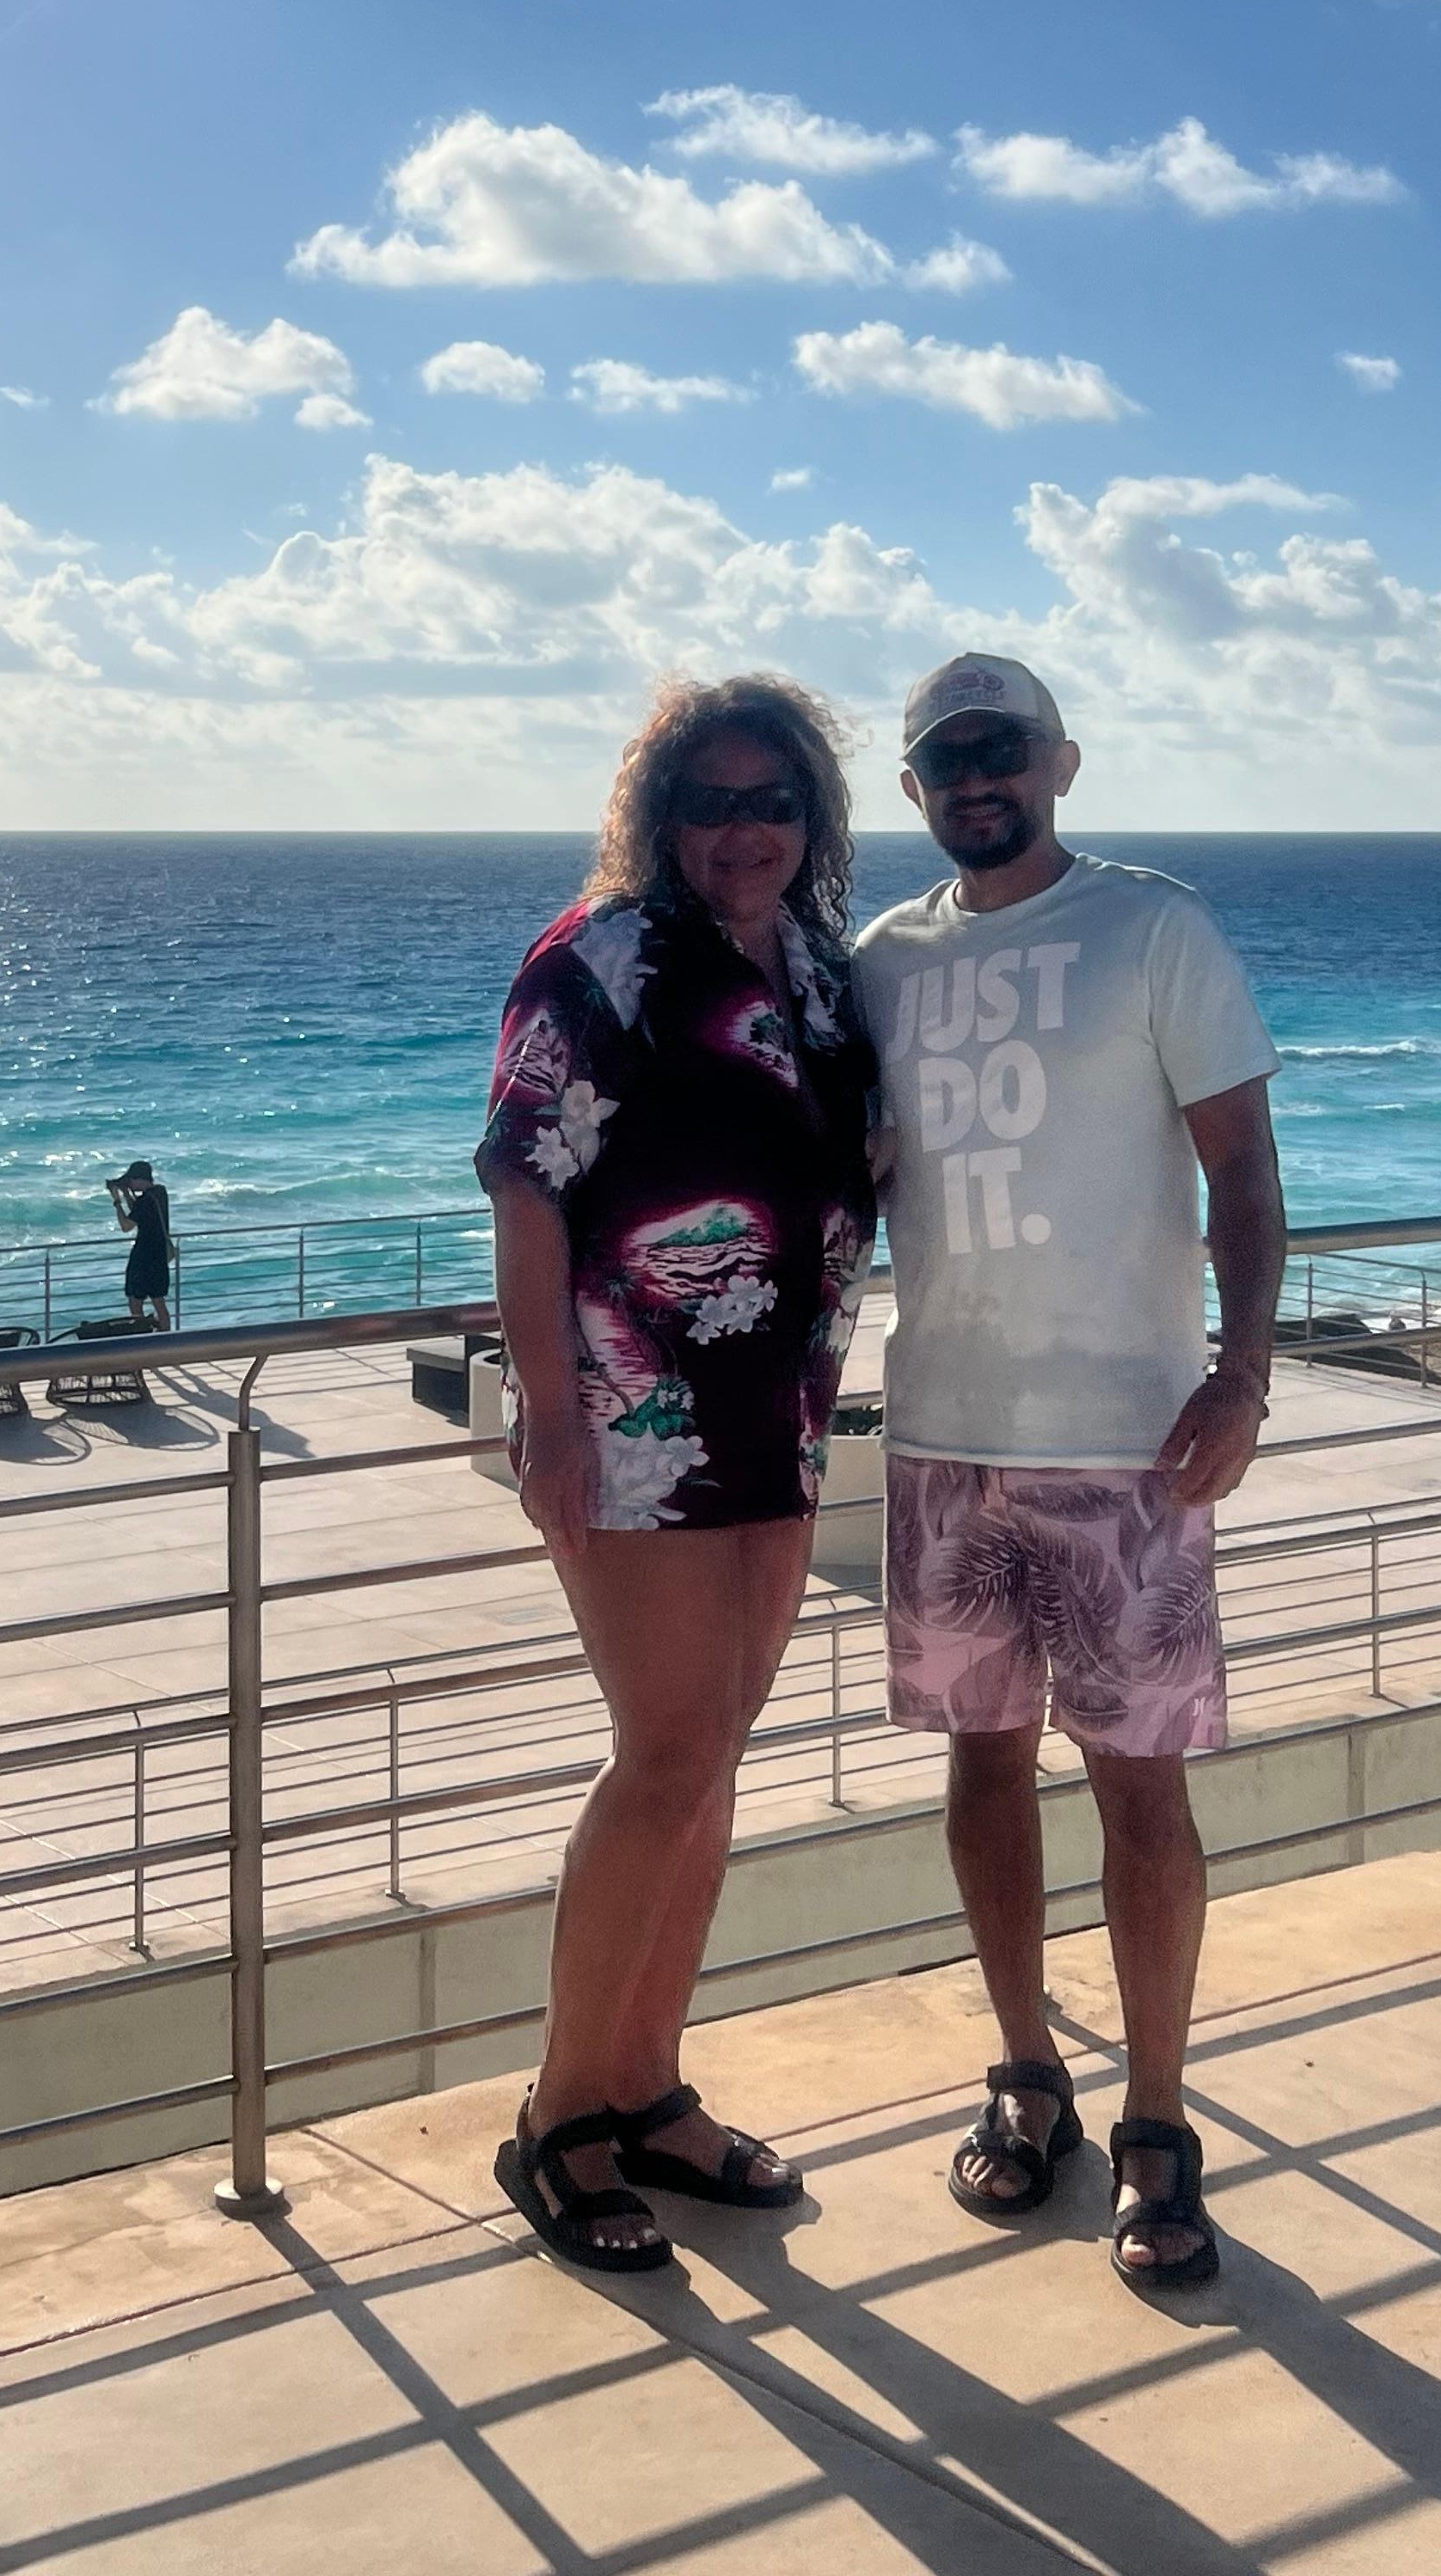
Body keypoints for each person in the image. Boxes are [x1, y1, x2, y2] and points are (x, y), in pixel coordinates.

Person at [854, 654, 1285, 2292]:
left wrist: (1239, 1375)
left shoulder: (1153, 928)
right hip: (944, 1431)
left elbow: (1241, 1168)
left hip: (1127, 1443)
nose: (975, 776)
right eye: (942, 757)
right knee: (977, 1772)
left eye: (1001, 749)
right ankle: (1026, 2072)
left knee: (1136, 1786)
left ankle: (1157, 2122)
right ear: (911, 792)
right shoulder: (876, 963)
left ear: (1059, 762)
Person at [478, 675, 878, 2275]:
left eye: (768, 799)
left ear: (810, 817)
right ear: (660, 814)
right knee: (661, 1752)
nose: (740, 829)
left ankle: (646, 2083)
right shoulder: (601, 959)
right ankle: (557, 2113)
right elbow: (525, 1182)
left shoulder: (825, 973)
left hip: (779, 1407)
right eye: (707, 801)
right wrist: (552, 1404)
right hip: (635, 1407)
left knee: (714, 1753)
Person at [107, 1161, 173, 1326]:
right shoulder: (159, 1193)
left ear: (140, 1179)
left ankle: (142, 1335)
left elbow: (126, 1226)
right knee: (159, 1302)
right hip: (159, 1255)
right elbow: (139, 1213)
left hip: (143, 1256)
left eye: (132, 1180)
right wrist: (127, 1194)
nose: (130, 1184)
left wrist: (117, 1202)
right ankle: (166, 1340)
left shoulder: (145, 1201)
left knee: (135, 1302)